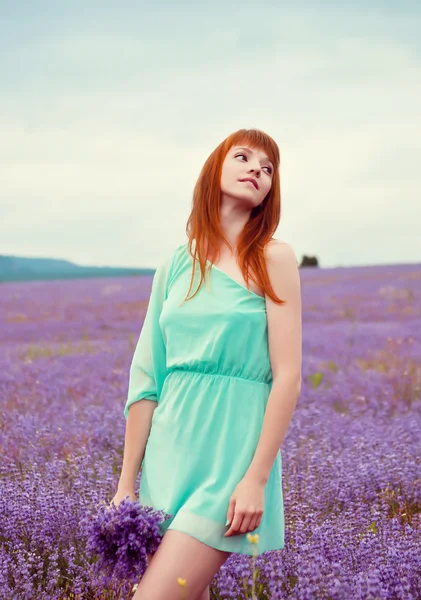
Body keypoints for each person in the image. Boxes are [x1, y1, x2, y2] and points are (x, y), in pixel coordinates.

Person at [111, 128, 302, 599]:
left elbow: (288, 377)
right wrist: (125, 485)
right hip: (167, 461)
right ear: (214, 169)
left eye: (268, 168)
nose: (257, 169)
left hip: (228, 465)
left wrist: (256, 478)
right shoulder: (175, 265)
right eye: (243, 157)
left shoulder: (272, 258)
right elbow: (147, 379)